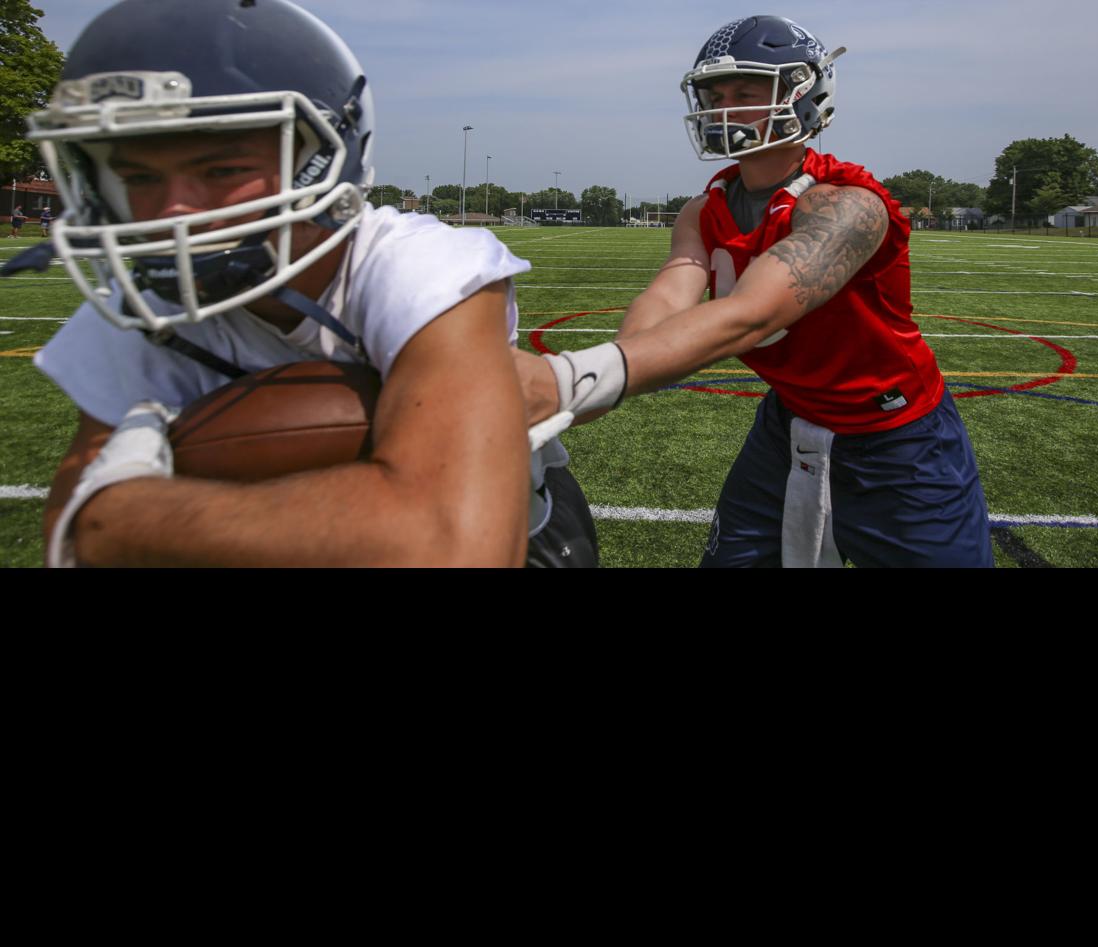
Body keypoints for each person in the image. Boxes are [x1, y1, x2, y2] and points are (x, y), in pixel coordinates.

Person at [9, 0, 595, 567]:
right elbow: (72, 540)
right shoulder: (138, 308)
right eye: (137, 176)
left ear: (325, 157)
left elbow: (453, 548)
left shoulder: (415, 265)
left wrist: (129, 518)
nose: (173, 209)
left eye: (222, 169)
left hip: (532, 539)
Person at [519, 15, 992, 567]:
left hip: (896, 435)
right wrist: (577, 396)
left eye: (745, 92)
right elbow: (668, 301)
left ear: (805, 94)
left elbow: (752, 316)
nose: (722, 108)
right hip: (788, 419)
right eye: (714, 94)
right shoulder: (706, 207)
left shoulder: (846, 205)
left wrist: (557, 384)